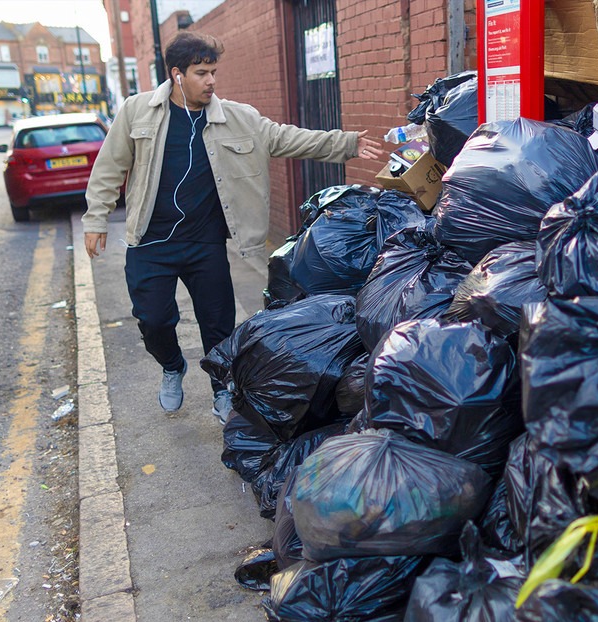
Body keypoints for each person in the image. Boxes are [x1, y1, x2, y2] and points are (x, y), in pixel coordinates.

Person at [82, 31, 384, 422]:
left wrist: (345, 144)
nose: (211, 81)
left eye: (214, 72)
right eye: (201, 73)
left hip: (205, 242)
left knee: (218, 325)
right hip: (150, 242)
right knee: (153, 320)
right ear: (177, 75)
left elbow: (286, 138)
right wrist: (96, 218)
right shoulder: (137, 112)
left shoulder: (237, 117)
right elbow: (109, 168)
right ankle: (172, 366)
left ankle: (221, 389)